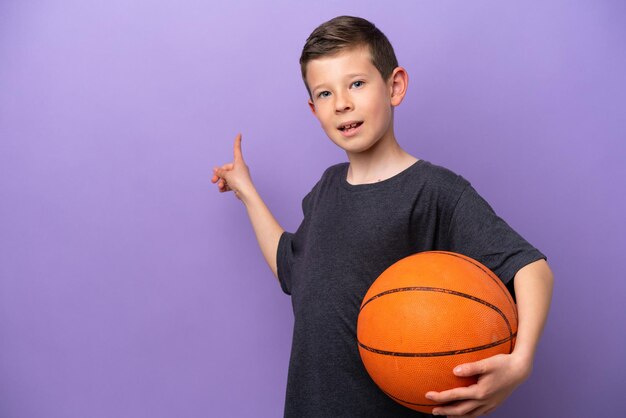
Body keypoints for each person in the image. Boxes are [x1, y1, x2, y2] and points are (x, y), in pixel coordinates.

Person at [211, 15, 554, 418]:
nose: (341, 103)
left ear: (395, 86)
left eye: (356, 83)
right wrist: (248, 193)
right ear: (313, 109)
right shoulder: (325, 189)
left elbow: (531, 268)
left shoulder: (434, 190)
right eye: (324, 93)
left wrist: (521, 361)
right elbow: (291, 268)